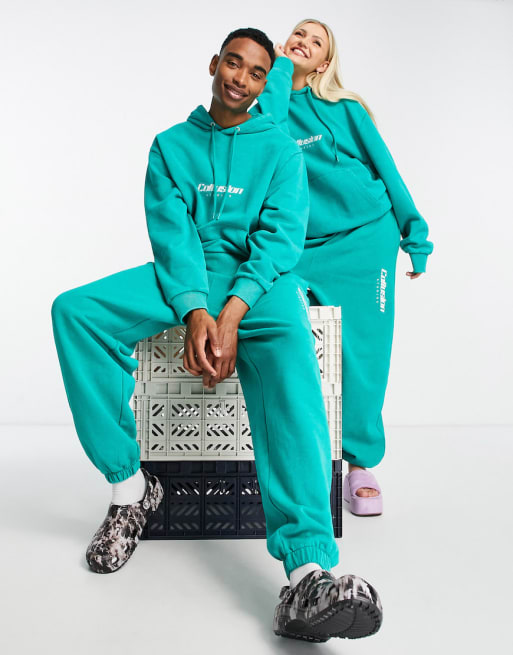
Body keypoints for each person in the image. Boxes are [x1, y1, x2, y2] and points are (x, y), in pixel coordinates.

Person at [51, 27, 383, 642]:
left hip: (261, 284)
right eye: (233, 63)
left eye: (257, 72)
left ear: (264, 82)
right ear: (214, 64)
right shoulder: (170, 145)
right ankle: (130, 489)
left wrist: (231, 313)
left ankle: (307, 572)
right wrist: (194, 312)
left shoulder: (280, 148)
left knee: (294, 378)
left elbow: (280, 238)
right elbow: (171, 233)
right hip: (186, 275)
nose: (241, 78)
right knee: (75, 312)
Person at [247, 18, 434, 516]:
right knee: (287, 334)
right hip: (301, 245)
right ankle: (299, 457)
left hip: (365, 238)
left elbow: (387, 169)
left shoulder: (346, 109)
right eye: (298, 35)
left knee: (364, 349)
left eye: (316, 41)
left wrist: (415, 236)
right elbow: (268, 136)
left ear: (325, 62)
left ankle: (359, 464)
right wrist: (278, 70)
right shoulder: (268, 110)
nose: (304, 42)